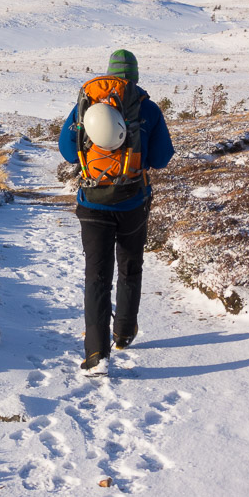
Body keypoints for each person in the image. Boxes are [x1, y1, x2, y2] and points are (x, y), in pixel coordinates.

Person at [56, 49, 174, 374]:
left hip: (92, 204)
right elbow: (162, 158)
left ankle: (96, 354)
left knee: (96, 275)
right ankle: (123, 332)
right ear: (135, 76)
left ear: (107, 74)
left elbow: (67, 150)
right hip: (134, 202)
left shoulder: (86, 104)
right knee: (130, 266)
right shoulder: (147, 108)